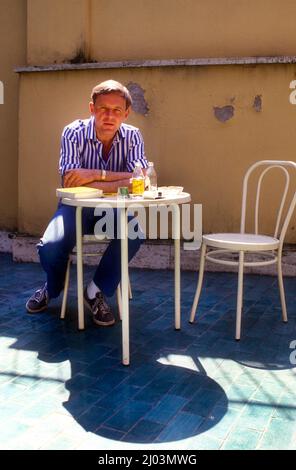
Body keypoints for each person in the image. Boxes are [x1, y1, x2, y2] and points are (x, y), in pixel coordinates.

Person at [26, 79, 148, 326]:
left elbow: (141, 180)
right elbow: (71, 183)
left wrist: (94, 175)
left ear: (126, 113)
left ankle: (95, 291)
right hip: (74, 208)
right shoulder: (73, 132)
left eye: (116, 111)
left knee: (134, 232)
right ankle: (52, 287)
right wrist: (120, 180)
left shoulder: (133, 136)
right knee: (50, 245)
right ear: (92, 108)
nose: (109, 116)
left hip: (113, 210)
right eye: (103, 109)